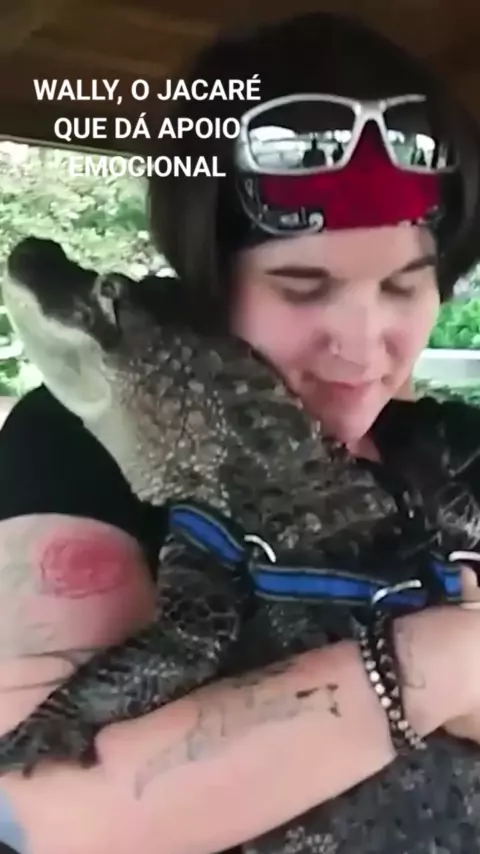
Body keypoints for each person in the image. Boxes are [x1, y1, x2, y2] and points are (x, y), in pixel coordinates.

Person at [2, 9, 480, 853]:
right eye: (302, 286)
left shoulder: (459, 451)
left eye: (404, 285)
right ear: (211, 282)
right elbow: (43, 816)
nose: (365, 345)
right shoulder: (78, 444)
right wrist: (441, 663)